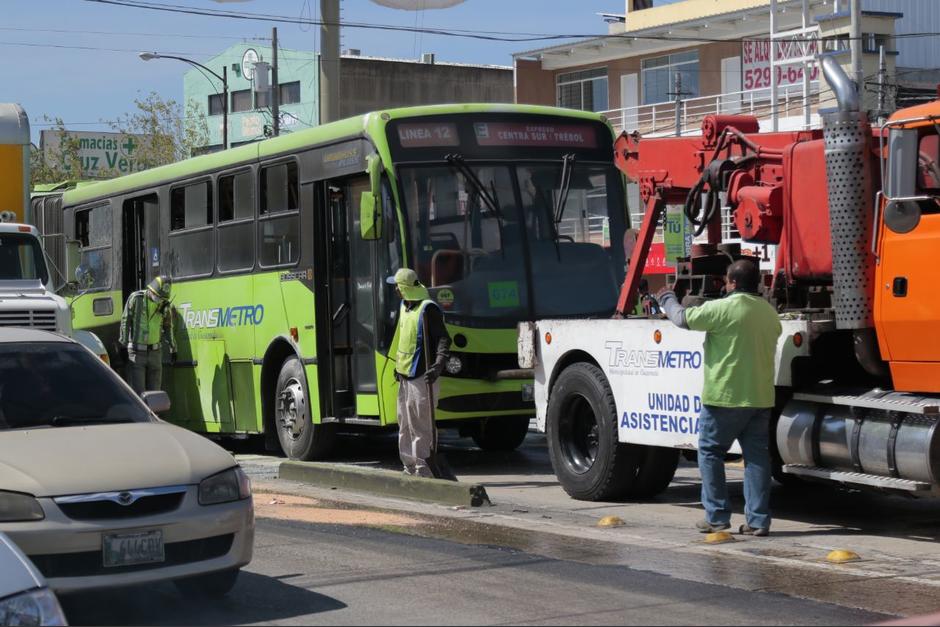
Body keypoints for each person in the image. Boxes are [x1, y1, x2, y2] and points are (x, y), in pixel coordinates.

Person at [657, 260, 782, 537]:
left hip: (725, 396)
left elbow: (681, 319)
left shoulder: (722, 309)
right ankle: (758, 521)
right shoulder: (769, 313)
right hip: (760, 397)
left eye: (726, 281)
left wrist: (666, 298)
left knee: (711, 452)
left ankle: (716, 517)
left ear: (733, 283)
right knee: (757, 459)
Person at [387, 268, 454, 480]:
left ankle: (424, 468)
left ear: (404, 288)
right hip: (405, 375)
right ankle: (409, 466)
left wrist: (438, 365)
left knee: (421, 425)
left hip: (423, 377)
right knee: (404, 423)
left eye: (397, 286)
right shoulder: (405, 306)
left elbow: (444, 339)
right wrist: (398, 368)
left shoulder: (428, 310)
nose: (395, 289)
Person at [119, 275, 176, 395]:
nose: (159, 299)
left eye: (162, 298)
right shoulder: (136, 298)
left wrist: (173, 348)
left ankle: (154, 414)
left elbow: (168, 326)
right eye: (158, 296)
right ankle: (142, 414)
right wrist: (123, 345)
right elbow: (125, 320)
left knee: (155, 394)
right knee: (139, 393)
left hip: (155, 353)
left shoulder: (164, 304)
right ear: (151, 290)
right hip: (136, 353)